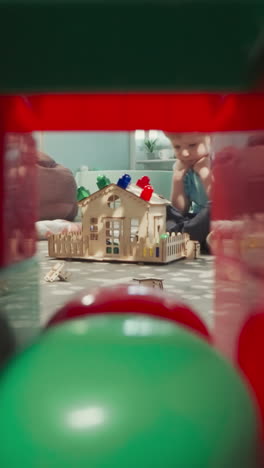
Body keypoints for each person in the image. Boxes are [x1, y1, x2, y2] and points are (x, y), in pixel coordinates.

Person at [165, 132, 212, 250]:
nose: (185, 153)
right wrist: (178, 178)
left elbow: (219, 201)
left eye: (192, 145)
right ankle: (189, 236)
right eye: (177, 147)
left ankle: (183, 236)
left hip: (217, 218)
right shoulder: (182, 167)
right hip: (196, 220)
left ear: (211, 141)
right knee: (167, 210)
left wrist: (204, 172)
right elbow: (179, 209)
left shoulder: (218, 163)